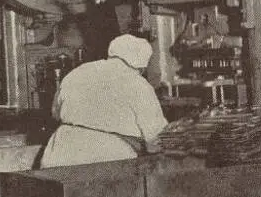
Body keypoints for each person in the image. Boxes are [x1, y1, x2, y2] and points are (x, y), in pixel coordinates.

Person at [40, 34, 168, 168]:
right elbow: (156, 138)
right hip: (105, 159)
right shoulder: (139, 84)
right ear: (141, 67)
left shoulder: (79, 71)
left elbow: (55, 112)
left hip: (59, 154)